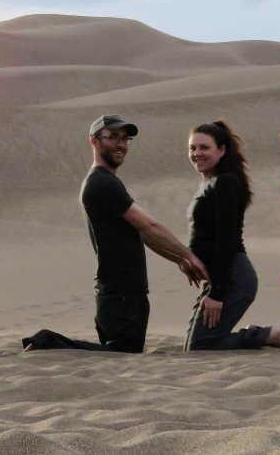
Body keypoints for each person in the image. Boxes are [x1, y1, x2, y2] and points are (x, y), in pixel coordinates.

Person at [23, 114, 210, 353]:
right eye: (113, 137)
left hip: (120, 292)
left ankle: (46, 344)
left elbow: (143, 233)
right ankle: (46, 342)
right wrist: (191, 256)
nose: (121, 144)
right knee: (122, 353)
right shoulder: (102, 183)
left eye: (125, 139)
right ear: (94, 141)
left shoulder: (106, 181)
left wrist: (179, 259)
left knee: (121, 352)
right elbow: (150, 226)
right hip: (121, 293)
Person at [182, 121, 280, 351]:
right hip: (220, 277)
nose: (197, 154)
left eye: (204, 147)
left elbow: (226, 240)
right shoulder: (211, 182)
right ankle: (261, 333)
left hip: (233, 277)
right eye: (193, 148)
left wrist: (217, 293)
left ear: (222, 150)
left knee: (200, 347)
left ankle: (273, 334)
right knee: (193, 346)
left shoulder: (225, 183)